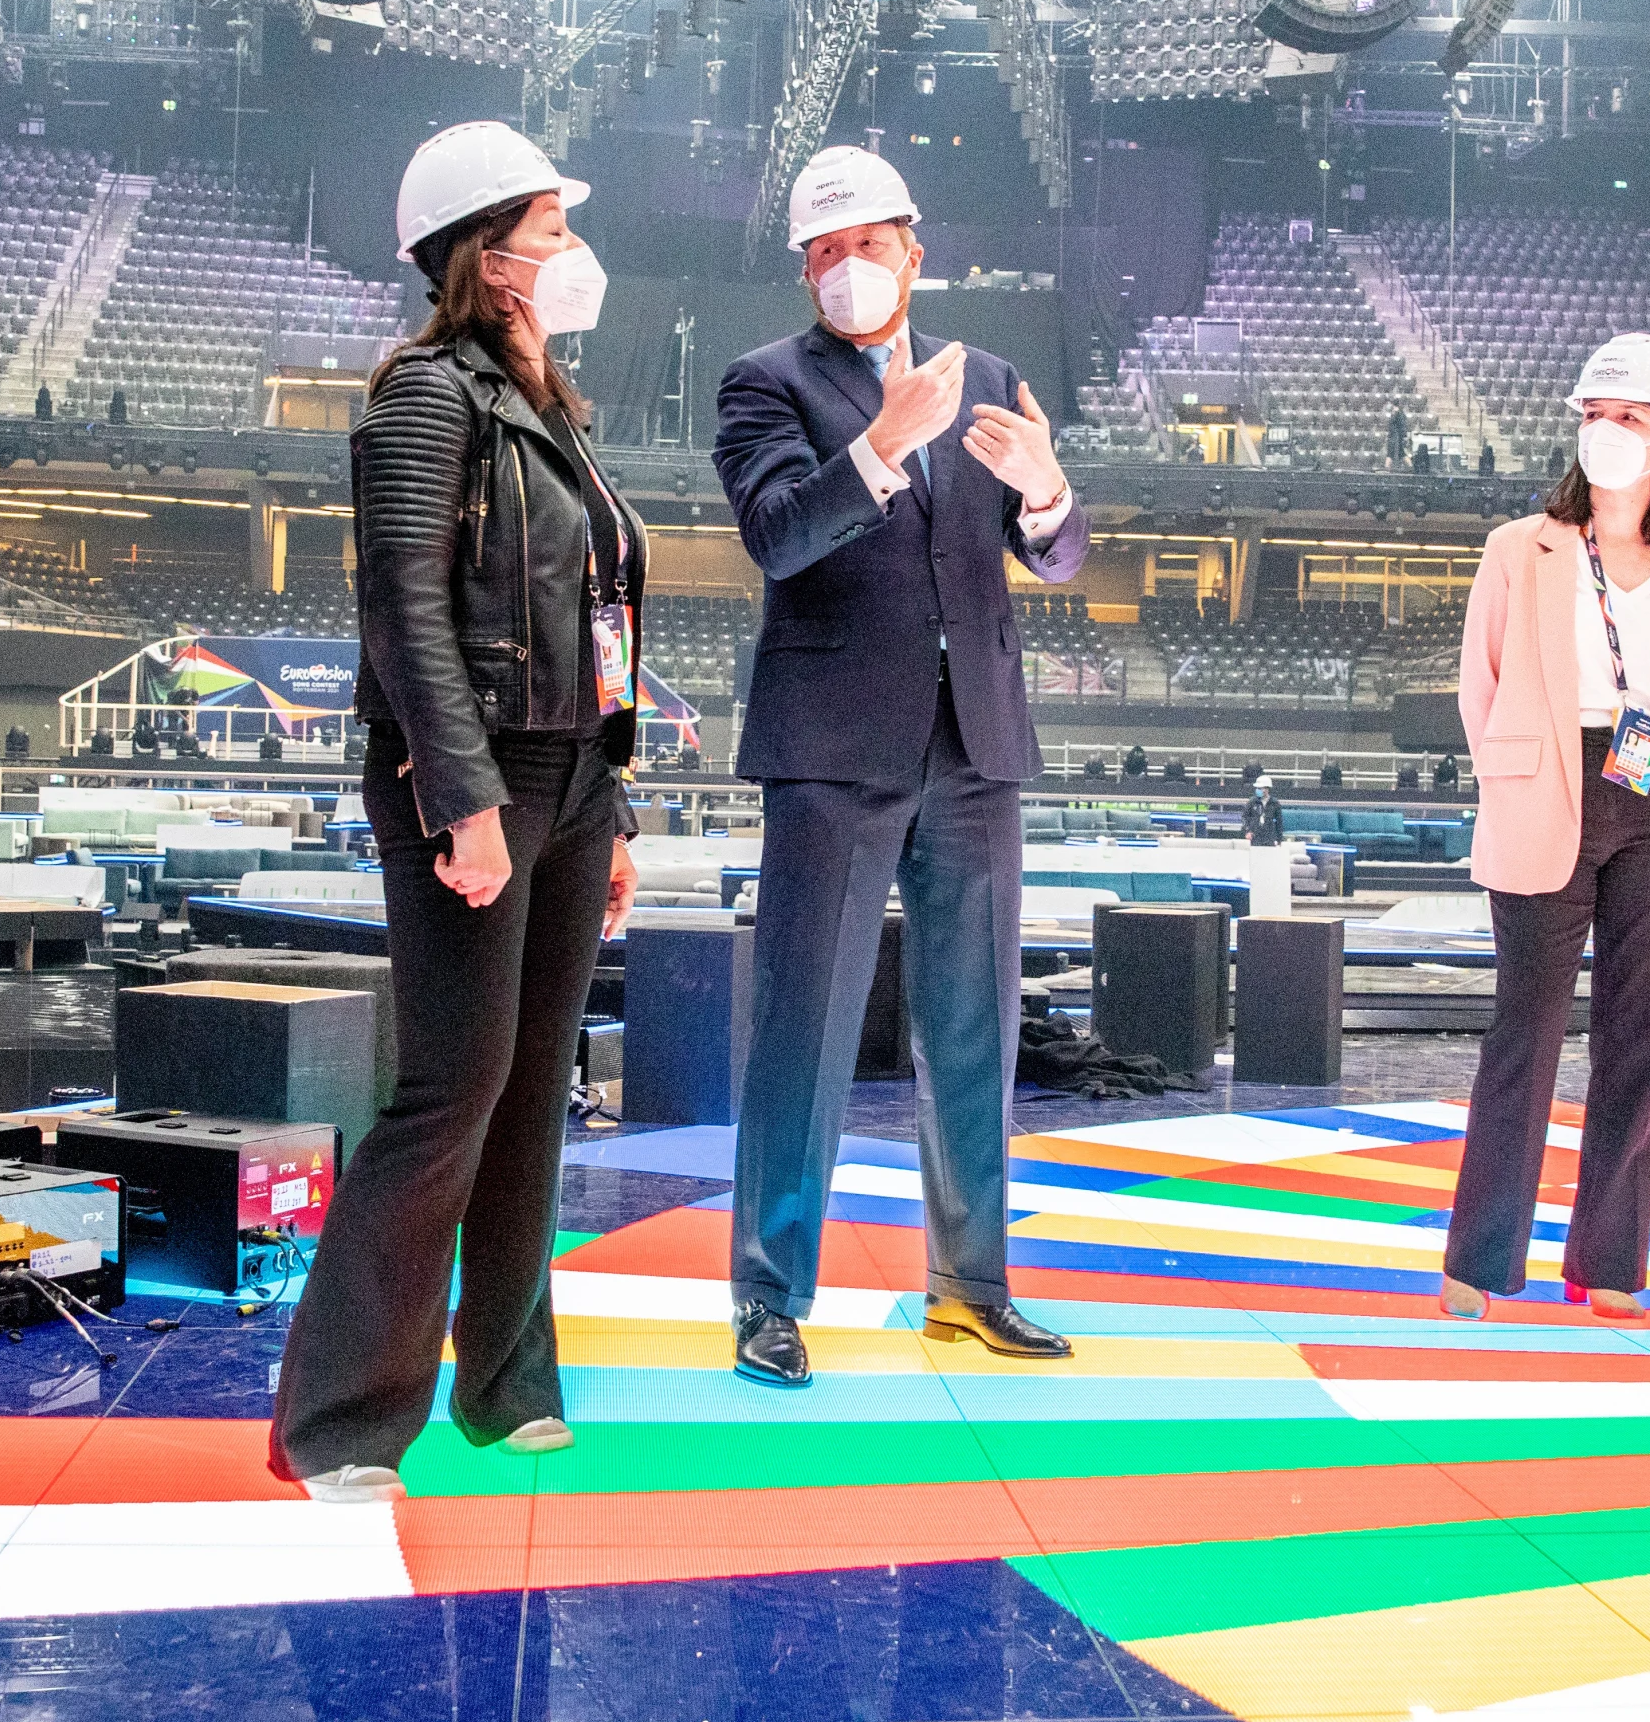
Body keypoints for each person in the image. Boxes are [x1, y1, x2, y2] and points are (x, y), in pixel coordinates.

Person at [270, 122, 642, 1503]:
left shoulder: (556, 417)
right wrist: (462, 796)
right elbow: (405, 610)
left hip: (571, 784)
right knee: (452, 1091)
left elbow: (598, 627)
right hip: (468, 779)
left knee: (535, 1093)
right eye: (551, 228)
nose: (571, 251)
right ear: (488, 258)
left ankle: (503, 1385)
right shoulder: (426, 395)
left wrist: (613, 808)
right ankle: (347, 1419)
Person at [716, 145, 1088, 1386]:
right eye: (822, 252)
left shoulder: (988, 378)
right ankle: (769, 1299)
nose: (844, 269)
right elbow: (776, 536)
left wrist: (1047, 498)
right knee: (802, 1033)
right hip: (832, 748)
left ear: (913, 250)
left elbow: (1059, 553)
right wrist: (879, 446)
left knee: (976, 1027)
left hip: (974, 743)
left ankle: (972, 1289)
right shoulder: (763, 383)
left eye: (865, 244)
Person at [1443, 334, 1650, 1324]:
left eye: (1633, 421)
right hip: (1547, 788)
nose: (1610, 434)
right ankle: (1480, 1263)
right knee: (1523, 1030)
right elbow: (1479, 685)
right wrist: (1515, 779)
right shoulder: (1520, 548)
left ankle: (1607, 1263)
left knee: (1634, 1039)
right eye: (1598, 417)